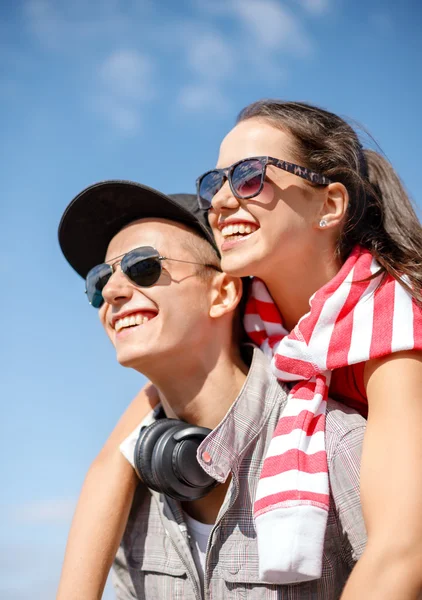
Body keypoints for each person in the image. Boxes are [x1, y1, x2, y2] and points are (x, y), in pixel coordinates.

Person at [57, 181, 367, 599]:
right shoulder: (130, 496)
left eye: (143, 267)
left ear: (222, 293)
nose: (112, 293)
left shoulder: (340, 447)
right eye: (98, 282)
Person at [196, 100, 422, 599]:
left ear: (329, 205)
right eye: (214, 183)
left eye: (250, 176)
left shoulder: (392, 316)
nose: (221, 201)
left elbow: (403, 550)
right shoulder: (243, 311)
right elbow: (118, 456)